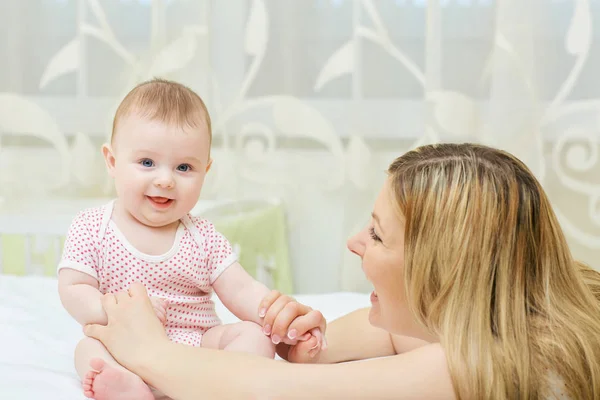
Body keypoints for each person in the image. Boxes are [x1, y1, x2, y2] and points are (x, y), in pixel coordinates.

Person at [84, 143, 600, 399]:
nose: (354, 243)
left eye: (376, 234)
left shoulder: (472, 367)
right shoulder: (492, 312)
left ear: (443, 272)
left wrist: (148, 350)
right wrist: (295, 344)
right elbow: (322, 356)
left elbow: (274, 393)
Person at [57, 79, 326, 400]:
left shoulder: (203, 237)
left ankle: (219, 388)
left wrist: (281, 321)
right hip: (126, 343)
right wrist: (114, 311)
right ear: (112, 161)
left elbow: (242, 290)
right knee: (89, 348)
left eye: (184, 167)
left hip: (199, 351)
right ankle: (128, 388)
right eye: (147, 163)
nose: (165, 180)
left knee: (255, 336)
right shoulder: (93, 227)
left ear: (205, 170)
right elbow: (73, 289)